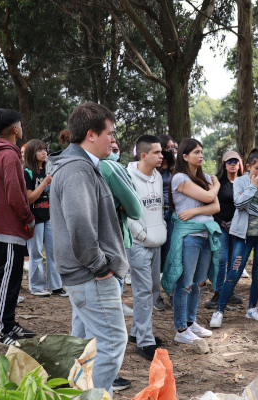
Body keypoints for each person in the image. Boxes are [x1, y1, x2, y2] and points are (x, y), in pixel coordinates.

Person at [50, 102, 129, 396]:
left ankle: (77, 394)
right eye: (110, 133)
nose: (114, 139)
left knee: (83, 350)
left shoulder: (79, 167)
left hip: (83, 278)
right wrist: (101, 267)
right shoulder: (78, 171)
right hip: (91, 277)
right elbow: (80, 226)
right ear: (92, 135)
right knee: (111, 345)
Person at [210, 149, 258, 328]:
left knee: (257, 274)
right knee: (234, 272)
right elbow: (239, 204)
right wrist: (253, 186)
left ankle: (251, 309)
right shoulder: (240, 182)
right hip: (243, 236)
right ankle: (219, 310)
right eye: (257, 168)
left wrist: (251, 208)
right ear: (248, 167)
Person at [161, 138, 220, 345]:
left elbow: (215, 208)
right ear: (184, 156)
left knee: (199, 283)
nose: (201, 155)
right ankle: (180, 329)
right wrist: (217, 186)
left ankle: (191, 321)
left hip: (205, 235)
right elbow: (208, 197)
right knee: (184, 283)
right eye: (196, 152)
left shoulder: (204, 177)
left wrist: (195, 210)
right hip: (189, 237)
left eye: (202, 151)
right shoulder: (179, 178)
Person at [0, 109, 36, 346]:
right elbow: (15, 196)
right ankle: (3, 330)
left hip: (1, 224)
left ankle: (9, 322)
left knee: (9, 277)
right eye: (20, 123)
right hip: (10, 226)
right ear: (15, 129)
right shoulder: (8, 155)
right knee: (7, 278)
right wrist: (28, 218)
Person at [100, 137, 141, 392]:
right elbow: (135, 209)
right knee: (111, 330)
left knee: (83, 322)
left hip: (100, 251)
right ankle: (105, 376)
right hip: (110, 250)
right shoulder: (111, 168)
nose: (115, 149)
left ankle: (82, 374)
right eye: (111, 141)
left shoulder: (72, 165)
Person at [126, 135, 167, 361]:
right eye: (157, 152)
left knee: (152, 288)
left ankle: (136, 333)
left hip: (157, 241)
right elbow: (125, 210)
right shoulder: (129, 177)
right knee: (142, 292)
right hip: (140, 244)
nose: (162, 156)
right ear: (143, 155)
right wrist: (140, 234)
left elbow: (157, 208)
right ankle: (144, 342)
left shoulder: (158, 176)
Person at [23, 139, 66, 297]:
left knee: (53, 252)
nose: (44, 152)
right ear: (31, 153)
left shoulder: (47, 171)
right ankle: (37, 287)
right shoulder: (27, 172)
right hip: (34, 218)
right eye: (39, 150)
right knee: (36, 254)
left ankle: (55, 286)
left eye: (44, 149)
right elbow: (29, 199)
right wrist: (44, 184)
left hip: (50, 217)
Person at [205, 150, 245, 309]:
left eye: (236, 161)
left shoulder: (244, 182)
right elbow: (211, 205)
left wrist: (236, 223)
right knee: (221, 260)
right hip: (222, 226)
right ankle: (218, 293)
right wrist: (222, 222)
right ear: (224, 164)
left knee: (234, 261)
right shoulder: (218, 182)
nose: (233, 164)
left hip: (239, 227)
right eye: (229, 161)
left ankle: (230, 291)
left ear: (240, 164)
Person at [156, 134, 177, 310]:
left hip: (172, 214)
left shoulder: (176, 167)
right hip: (155, 214)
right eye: (167, 148)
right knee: (156, 255)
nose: (170, 151)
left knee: (172, 254)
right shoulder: (154, 167)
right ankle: (155, 295)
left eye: (173, 148)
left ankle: (171, 293)